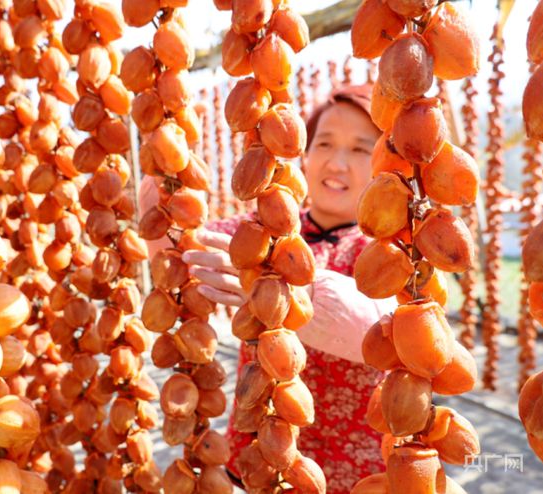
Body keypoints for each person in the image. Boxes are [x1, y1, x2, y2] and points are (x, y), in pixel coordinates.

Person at [139, 84, 396, 493]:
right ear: (304, 155)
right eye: (325, 143)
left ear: (384, 162)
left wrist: (297, 295)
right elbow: (178, 248)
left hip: (356, 469)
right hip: (257, 456)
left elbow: (395, 333)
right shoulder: (257, 235)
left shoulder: (389, 252)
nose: (338, 162)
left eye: (361, 149)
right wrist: (167, 160)